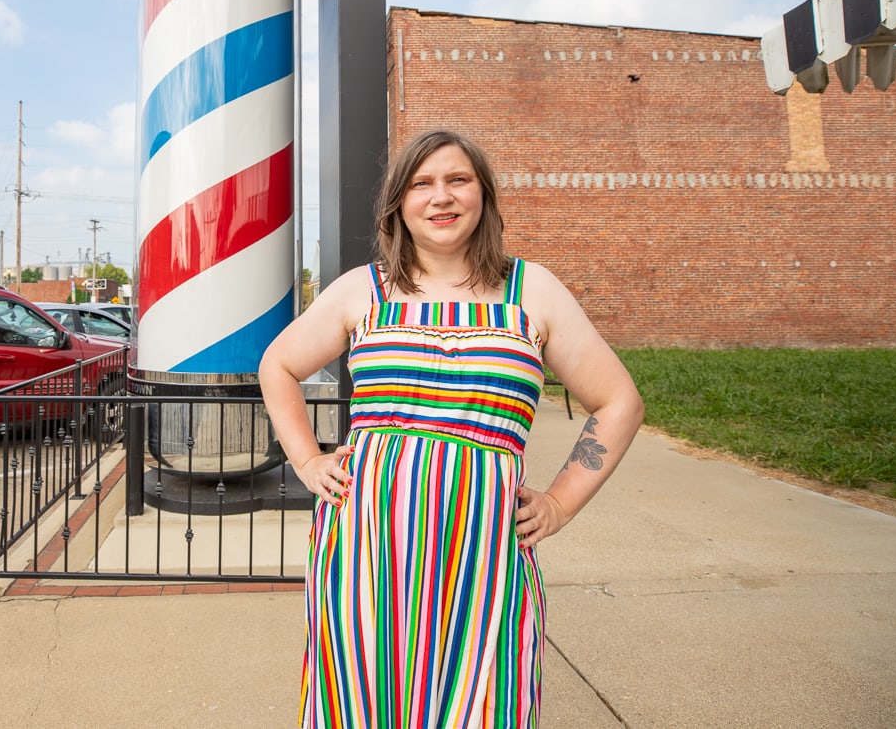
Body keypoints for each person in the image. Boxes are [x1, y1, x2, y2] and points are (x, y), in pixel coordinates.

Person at [260, 129, 644, 728]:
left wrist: (562, 503)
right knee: (361, 700)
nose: (441, 197)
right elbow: (278, 365)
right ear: (399, 204)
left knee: (485, 703)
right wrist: (309, 461)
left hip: (486, 554)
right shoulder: (364, 290)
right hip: (364, 552)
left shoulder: (532, 290)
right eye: (422, 184)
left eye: (457, 180)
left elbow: (619, 401)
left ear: (483, 196)